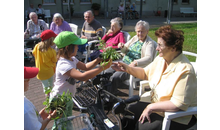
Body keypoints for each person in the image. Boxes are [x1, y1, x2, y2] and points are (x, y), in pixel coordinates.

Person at [111, 25, 197, 130]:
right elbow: (145, 73)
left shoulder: (185, 70)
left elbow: (177, 105)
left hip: (176, 116)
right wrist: (126, 68)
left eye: (160, 45)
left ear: (173, 48)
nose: (157, 48)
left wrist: (150, 107)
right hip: (156, 104)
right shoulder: (161, 59)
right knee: (128, 111)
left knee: (142, 126)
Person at [49, 31, 112, 129]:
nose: (78, 47)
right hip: (59, 100)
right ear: (67, 48)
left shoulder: (72, 58)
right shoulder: (63, 64)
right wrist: (102, 68)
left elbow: (85, 67)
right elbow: (83, 76)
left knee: (67, 122)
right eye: (76, 45)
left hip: (68, 98)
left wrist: (98, 60)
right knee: (60, 124)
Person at [104, 20, 157, 94]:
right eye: (138, 31)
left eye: (142, 31)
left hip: (133, 67)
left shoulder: (149, 43)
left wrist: (135, 62)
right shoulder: (135, 38)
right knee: (106, 71)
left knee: (115, 77)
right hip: (123, 61)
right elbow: (125, 49)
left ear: (147, 31)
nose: (140, 33)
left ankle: (110, 95)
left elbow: (149, 58)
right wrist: (122, 46)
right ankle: (109, 91)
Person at [32, 30, 57, 97]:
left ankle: (47, 97)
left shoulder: (37, 46)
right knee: (50, 85)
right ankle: (51, 97)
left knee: (45, 86)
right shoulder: (52, 51)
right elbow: (55, 60)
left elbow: (33, 53)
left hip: (40, 71)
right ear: (50, 40)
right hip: (49, 71)